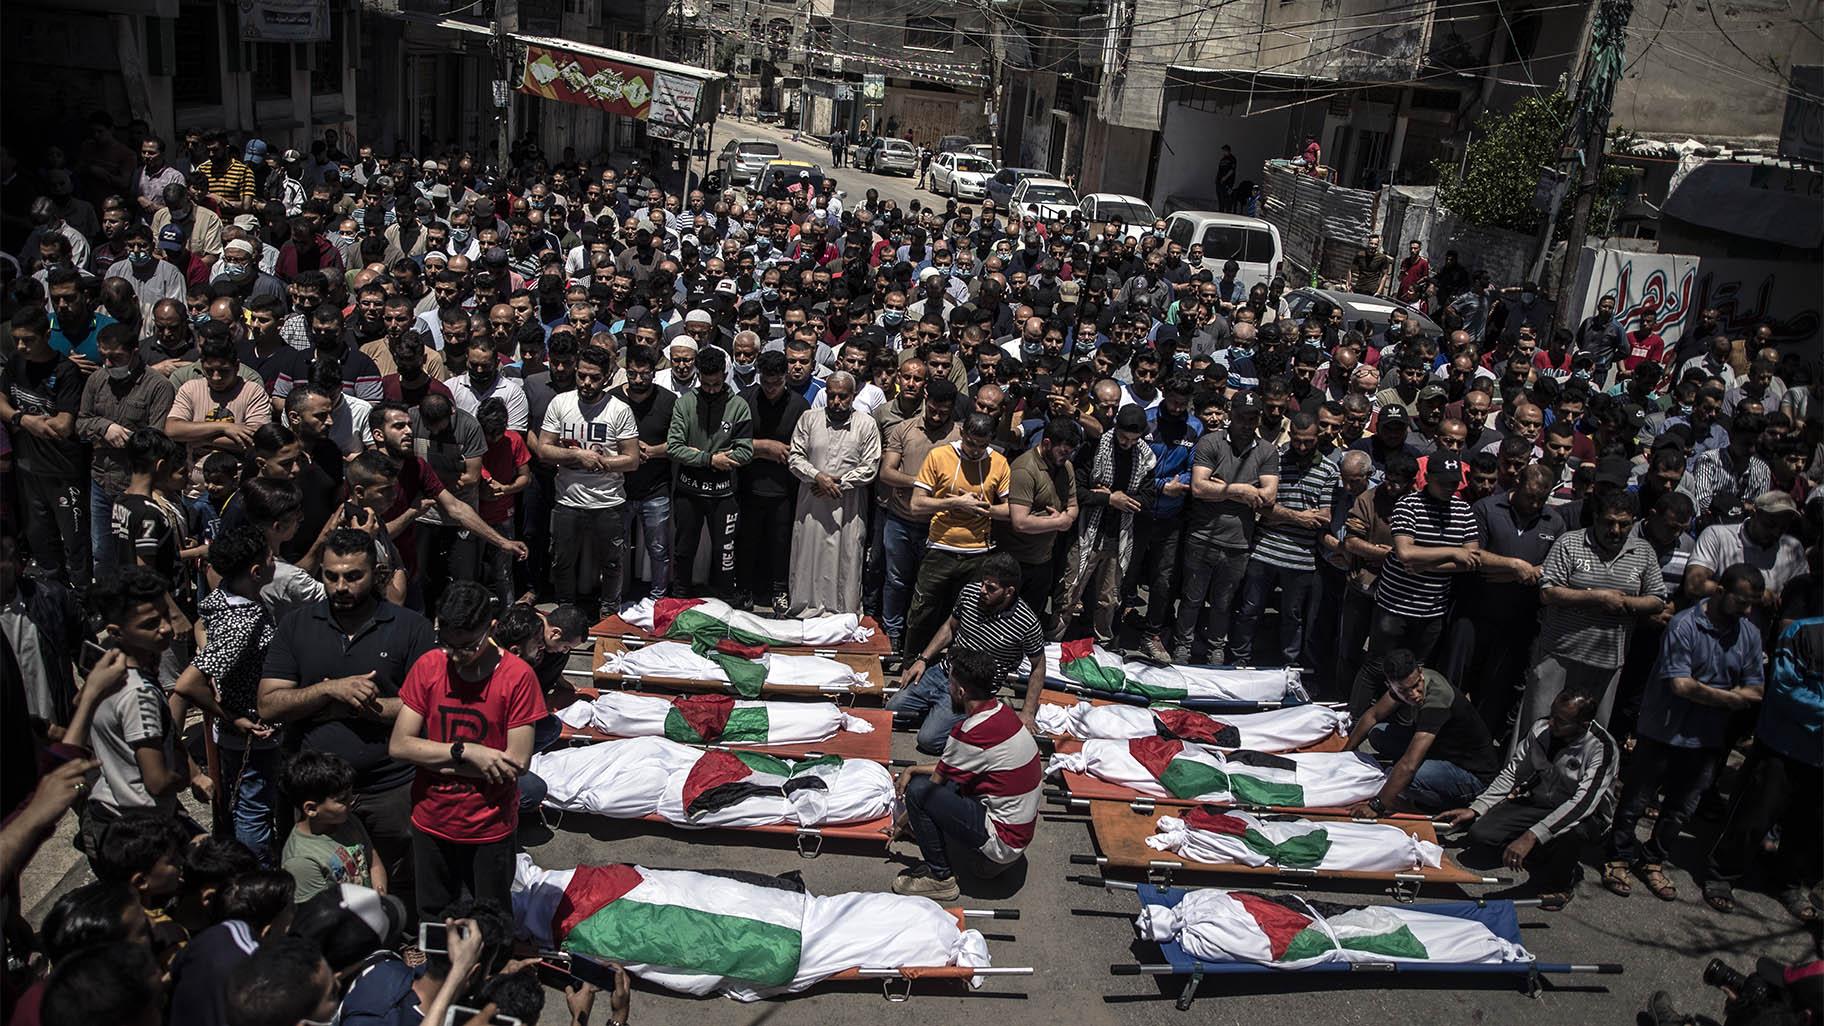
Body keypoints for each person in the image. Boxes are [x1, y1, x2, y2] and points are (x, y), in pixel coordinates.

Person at [258, 528, 438, 911]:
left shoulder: (412, 628)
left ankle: (396, 945)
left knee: (398, 876)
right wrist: (328, 690)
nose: (341, 586)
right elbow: (269, 706)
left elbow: (427, 710)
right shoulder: (296, 625)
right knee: (318, 891)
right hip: (314, 794)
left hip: (388, 789)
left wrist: (358, 704)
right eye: (331, 575)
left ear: (376, 574)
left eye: (353, 576)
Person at [1605, 563, 1765, 904]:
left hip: (1706, 739)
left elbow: (1755, 691)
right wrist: (1729, 698)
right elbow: (1680, 685)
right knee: (1635, 801)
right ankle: (1617, 856)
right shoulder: (1685, 625)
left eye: (1752, 603)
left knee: (1680, 809)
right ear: (1720, 591)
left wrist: (1714, 695)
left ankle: (1652, 860)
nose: (1747, 610)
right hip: (1663, 730)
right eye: (1741, 601)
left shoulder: (1748, 633)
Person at [388, 581, 545, 921]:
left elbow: (515, 763)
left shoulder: (518, 678)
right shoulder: (429, 666)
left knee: (490, 919)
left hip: (490, 827)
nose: (456, 656)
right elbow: (400, 745)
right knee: (433, 917)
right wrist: (469, 753)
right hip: (430, 821)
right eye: (447, 644)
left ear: (491, 629)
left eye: (467, 646)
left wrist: (434, 758)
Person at [1438, 690, 1617, 910]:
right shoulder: (1541, 729)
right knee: (1480, 834)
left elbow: (1582, 804)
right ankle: (1542, 852)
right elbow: (1514, 773)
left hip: (1584, 816)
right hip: (1541, 803)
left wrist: (1531, 836)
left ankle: (1561, 883)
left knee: (1572, 835)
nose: (1551, 723)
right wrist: (1477, 808)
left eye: (1561, 721)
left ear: (1584, 724)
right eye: (1552, 715)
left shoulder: (1602, 748)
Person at [1513, 489, 1668, 743]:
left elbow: (1657, 599)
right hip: (1559, 655)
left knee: (1588, 736)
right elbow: (1548, 592)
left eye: (1624, 524)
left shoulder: (1643, 552)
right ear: (1595, 518)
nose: (1616, 530)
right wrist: (1596, 597)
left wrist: (1625, 602)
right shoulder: (1569, 543)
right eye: (1609, 522)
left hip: (1607, 662)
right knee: (1539, 725)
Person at [891, 646, 1041, 900]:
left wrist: (900, 824)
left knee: (919, 790)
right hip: (1016, 839)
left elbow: (933, 786)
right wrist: (914, 767)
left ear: (960, 691)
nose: (947, 689)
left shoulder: (970, 732)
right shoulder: (1002, 712)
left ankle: (940, 878)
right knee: (945, 783)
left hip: (1000, 847)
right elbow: (950, 768)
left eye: (950, 684)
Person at [1703, 614, 1822, 921]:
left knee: (1806, 827)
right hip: (1783, 746)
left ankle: (1787, 884)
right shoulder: (1802, 633)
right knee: (1754, 814)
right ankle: (1722, 874)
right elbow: (1784, 687)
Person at [891, 552, 1047, 753]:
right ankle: (952, 717)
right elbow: (950, 626)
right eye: (983, 583)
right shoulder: (970, 593)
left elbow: (1038, 666)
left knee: (928, 741)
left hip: (973, 689)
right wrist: (923, 659)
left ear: (1009, 592)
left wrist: (1027, 712)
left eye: (991, 588)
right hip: (945, 671)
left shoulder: (1026, 622)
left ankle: (981, 719)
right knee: (893, 711)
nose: (982, 590)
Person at [537, 344, 641, 618]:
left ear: (606, 377)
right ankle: (565, 611)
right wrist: (578, 456)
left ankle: (609, 612)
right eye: (582, 375)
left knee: (611, 562)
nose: (586, 382)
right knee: (561, 561)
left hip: (607, 502)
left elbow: (631, 459)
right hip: (567, 500)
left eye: (594, 377)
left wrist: (600, 461)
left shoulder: (619, 410)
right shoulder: (561, 403)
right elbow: (544, 449)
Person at [1176, 389, 1278, 664]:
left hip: (1239, 541)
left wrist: (1222, 488)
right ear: (1230, 415)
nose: (1247, 423)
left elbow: (1267, 496)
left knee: (1223, 602)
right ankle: (1182, 644)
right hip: (1203, 535)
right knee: (1192, 598)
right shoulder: (1211, 442)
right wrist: (1242, 490)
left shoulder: (1267, 450)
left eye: (1253, 417)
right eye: (1242, 416)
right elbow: (1198, 487)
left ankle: (1215, 648)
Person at [901, 411, 1012, 660]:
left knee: (969, 615)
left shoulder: (999, 462)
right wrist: (956, 504)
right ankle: (911, 661)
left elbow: (1008, 511)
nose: (975, 450)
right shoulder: (939, 456)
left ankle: (956, 668)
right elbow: (917, 505)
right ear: (962, 433)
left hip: (977, 552)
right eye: (971, 443)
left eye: (982, 445)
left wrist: (983, 508)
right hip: (941, 547)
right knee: (923, 610)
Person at [1345, 648, 1500, 814]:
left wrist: (1377, 804)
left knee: (1399, 778)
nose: (1414, 694)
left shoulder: (1437, 697)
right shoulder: (1406, 682)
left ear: (1420, 672)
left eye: (1416, 685)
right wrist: (1344, 754)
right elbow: (1373, 715)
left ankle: (1425, 805)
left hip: (1472, 776)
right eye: (1403, 691)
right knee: (1378, 733)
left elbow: (1409, 764)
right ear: (1390, 685)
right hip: (1441, 751)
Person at [786, 371, 881, 616]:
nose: (836, 402)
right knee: (808, 555)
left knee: (847, 556)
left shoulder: (866, 424)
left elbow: (870, 466)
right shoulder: (809, 418)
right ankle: (805, 608)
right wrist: (818, 477)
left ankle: (843, 611)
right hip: (812, 499)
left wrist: (839, 482)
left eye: (843, 396)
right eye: (831, 395)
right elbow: (795, 457)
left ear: (854, 396)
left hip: (847, 502)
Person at [666, 344, 752, 601]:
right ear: (698, 377)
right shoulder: (684, 404)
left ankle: (726, 596)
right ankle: (680, 595)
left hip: (724, 493)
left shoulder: (739, 406)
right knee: (684, 549)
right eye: (706, 384)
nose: (711, 390)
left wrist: (697, 455)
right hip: (688, 489)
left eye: (716, 384)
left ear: (725, 376)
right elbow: (674, 448)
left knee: (724, 550)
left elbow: (745, 452)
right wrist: (710, 459)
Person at [278, 750, 384, 903]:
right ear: (312, 809)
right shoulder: (301, 861)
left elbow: (373, 862)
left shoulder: (348, 820)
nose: (352, 802)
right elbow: (318, 917)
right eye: (342, 800)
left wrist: (380, 894)